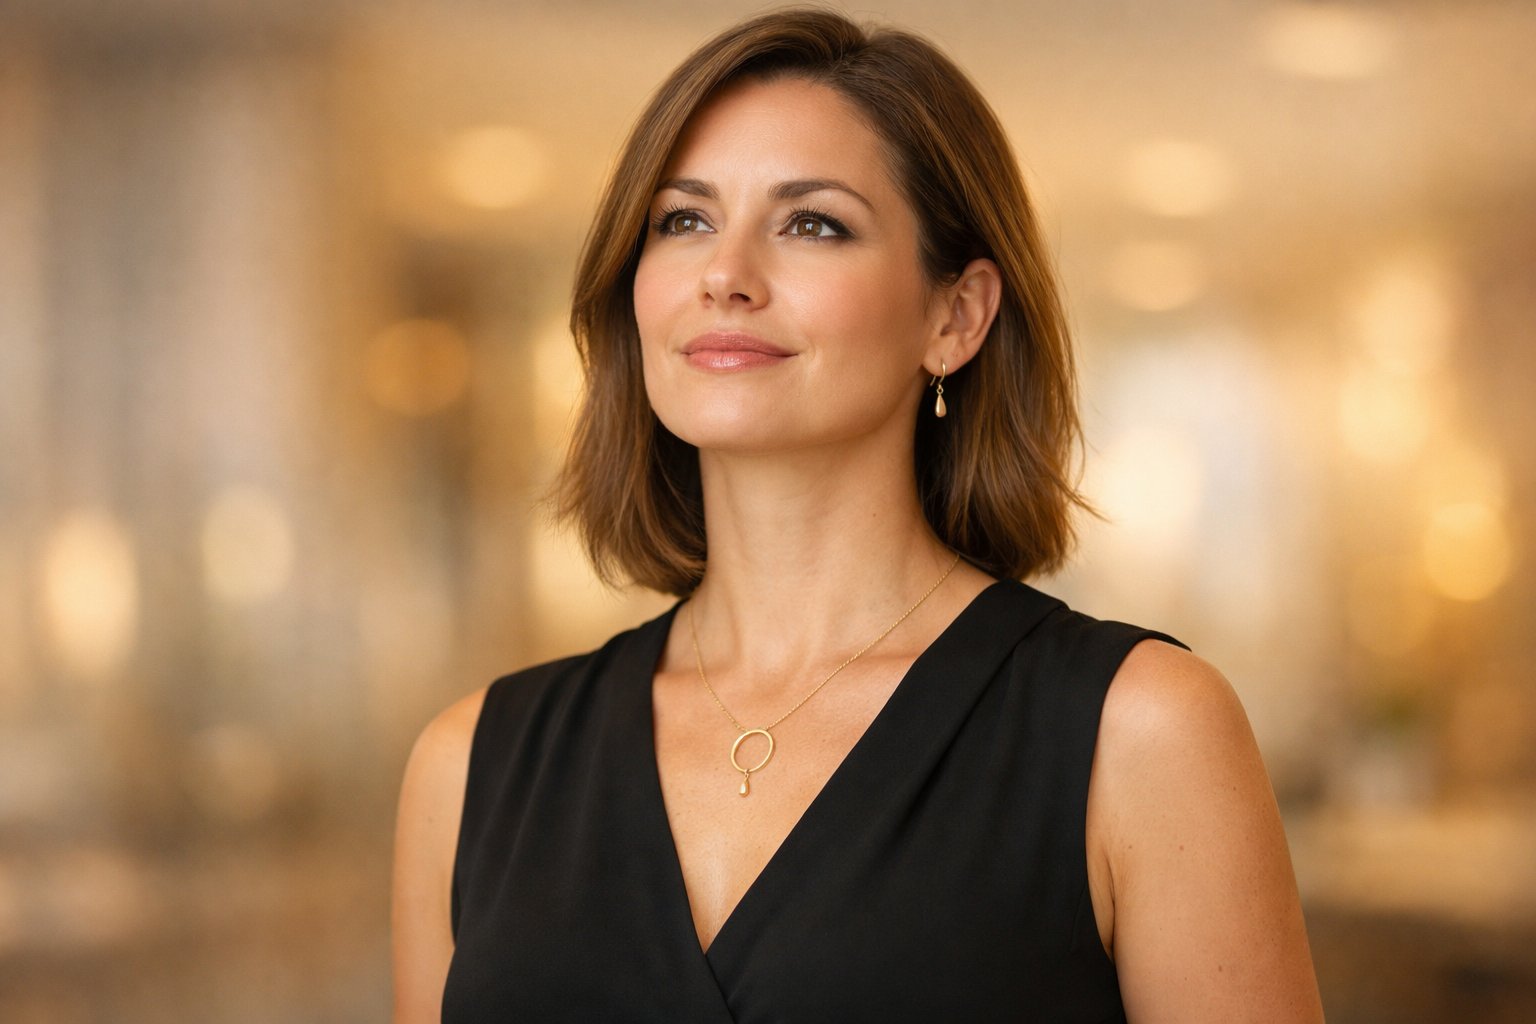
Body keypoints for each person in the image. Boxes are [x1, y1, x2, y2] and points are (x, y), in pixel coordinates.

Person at [392, 7, 1325, 1022]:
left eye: (812, 223)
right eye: (684, 220)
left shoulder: (1141, 731)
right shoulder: (472, 764)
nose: (725, 275)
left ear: (954, 315)